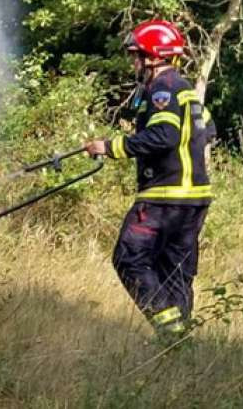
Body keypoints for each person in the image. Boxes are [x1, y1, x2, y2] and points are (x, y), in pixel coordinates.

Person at [85, 20, 214, 339]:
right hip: (193, 199)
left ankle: (168, 330)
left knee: (129, 257)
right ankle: (179, 343)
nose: (134, 62)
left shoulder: (162, 88)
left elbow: (164, 135)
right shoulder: (185, 91)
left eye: (136, 55)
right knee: (175, 274)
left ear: (153, 57)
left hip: (164, 197)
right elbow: (209, 130)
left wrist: (110, 147)